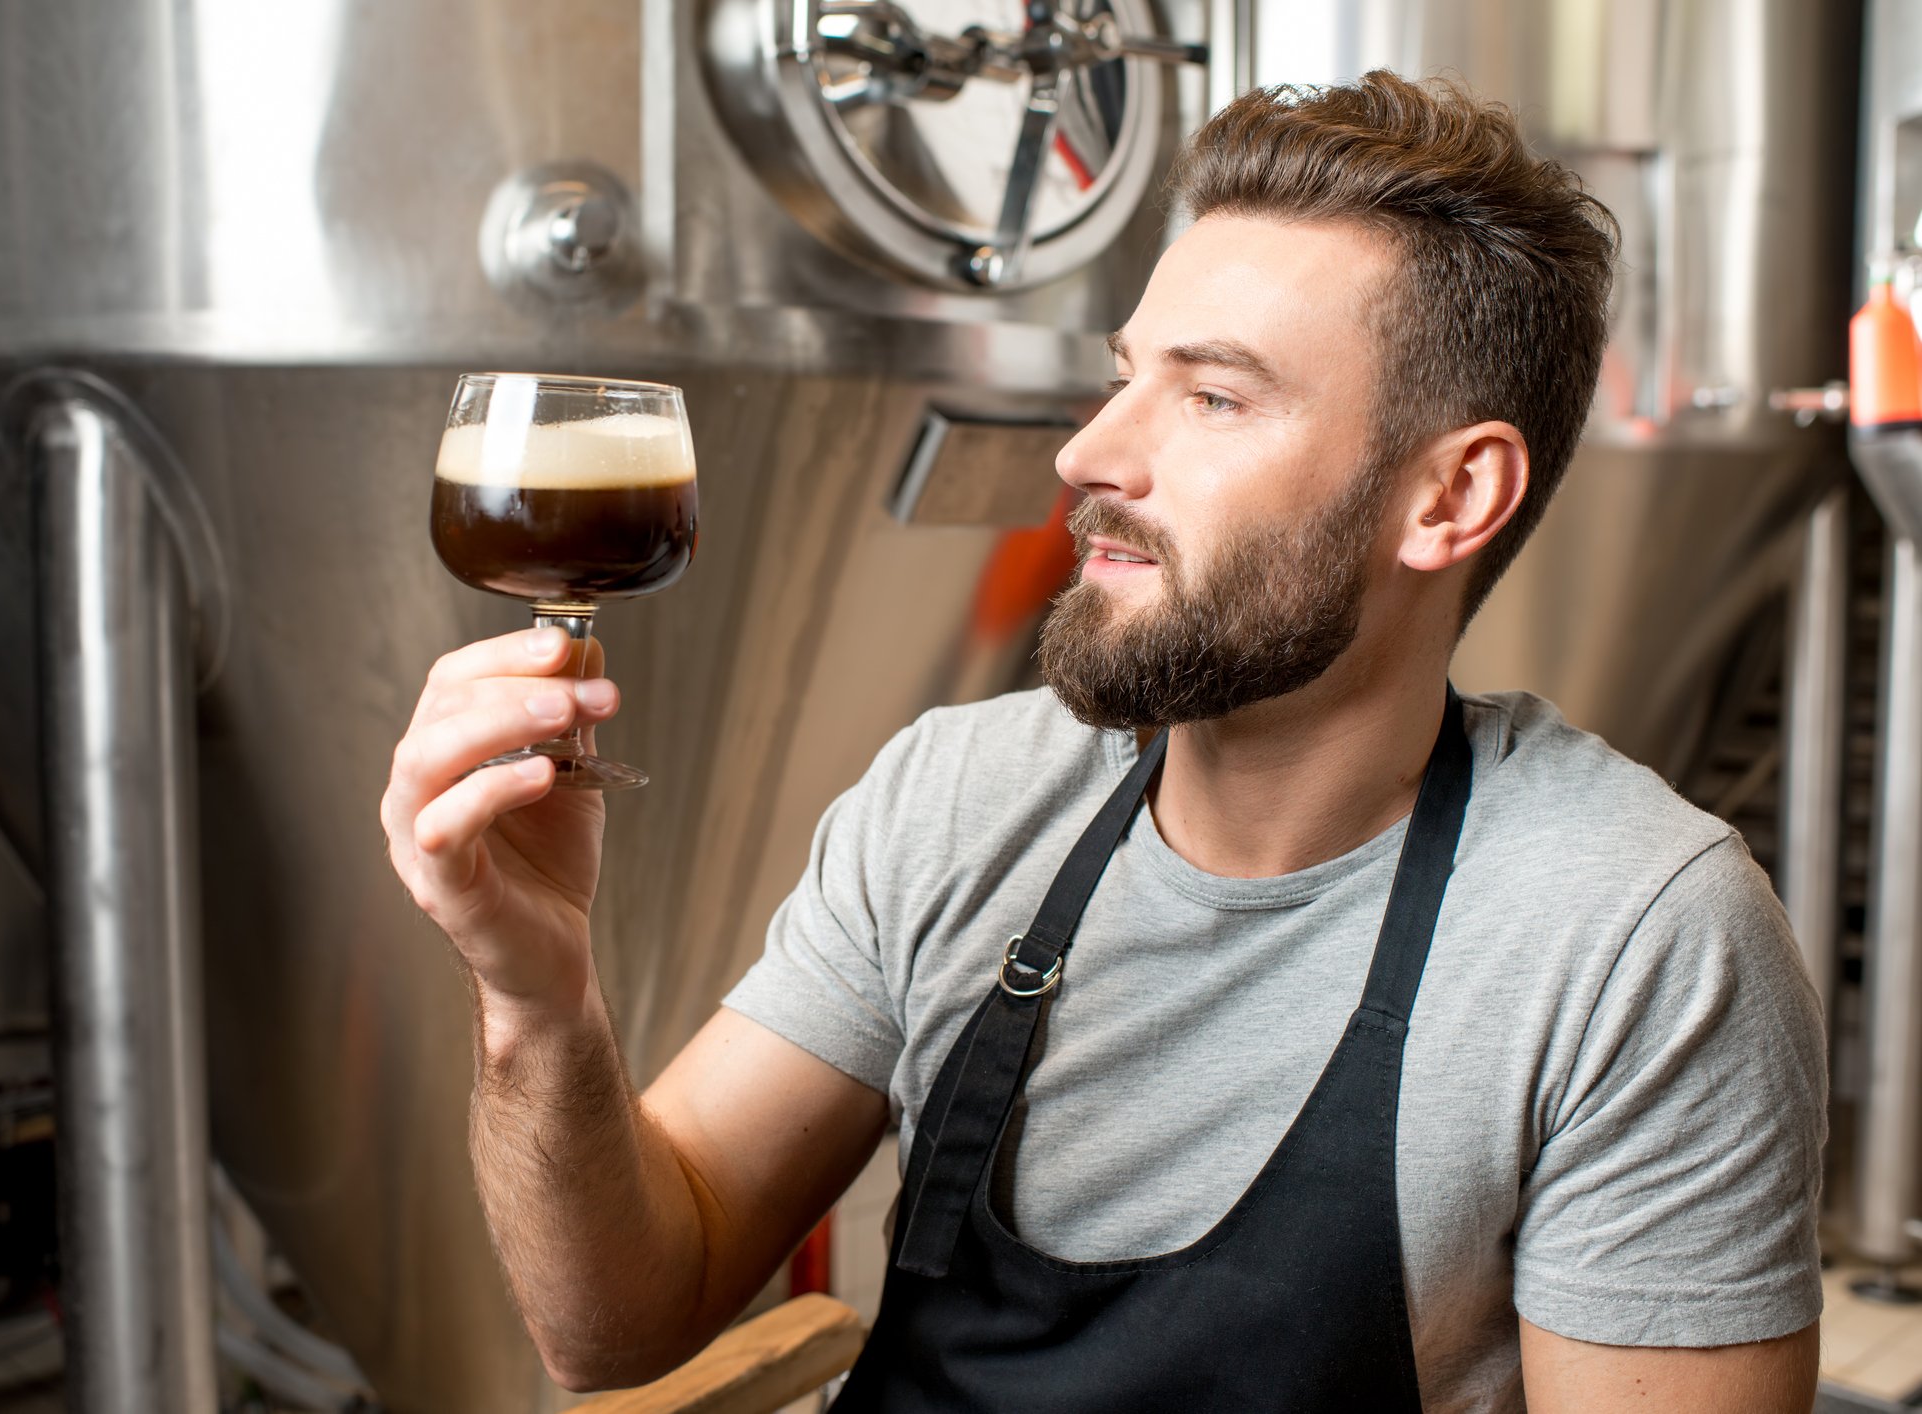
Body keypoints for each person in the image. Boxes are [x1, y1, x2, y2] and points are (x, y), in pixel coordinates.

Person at [380, 71, 1826, 1412]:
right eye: (1125, 371)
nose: (1086, 454)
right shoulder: (957, 796)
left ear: (1450, 500)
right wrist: (538, 998)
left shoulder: (1630, 937)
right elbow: (615, 1319)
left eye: (1210, 396)